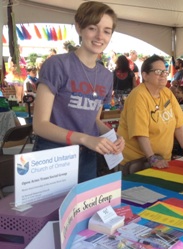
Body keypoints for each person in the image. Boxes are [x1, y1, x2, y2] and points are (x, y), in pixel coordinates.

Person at [32, 1, 125, 183]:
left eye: (107, 31)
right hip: (53, 157)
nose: (100, 36)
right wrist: (84, 139)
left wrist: (112, 136)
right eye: (93, 28)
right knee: (50, 211)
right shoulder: (57, 65)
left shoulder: (106, 76)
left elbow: (94, 120)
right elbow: (40, 125)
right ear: (79, 28)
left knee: (84, 210)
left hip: (86, 158)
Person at [117, 55, 183, 174]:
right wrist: (152, 158)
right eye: (158, 71)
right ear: (145, 75)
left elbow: (178, 124)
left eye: (164, 71)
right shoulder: (138, 96)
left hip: (161, 161)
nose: (163, 74)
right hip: (137, 164)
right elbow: (141, 134)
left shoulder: (166, 93)